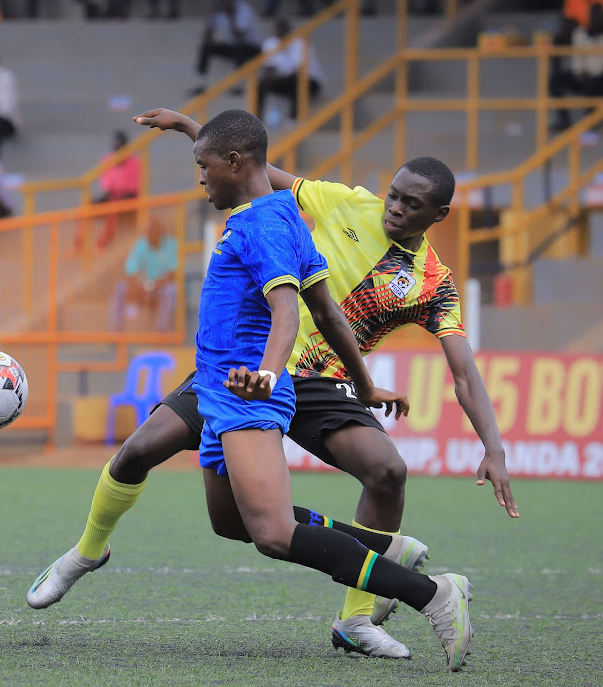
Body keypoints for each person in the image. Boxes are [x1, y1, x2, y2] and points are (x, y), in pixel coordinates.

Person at [28, 109, 477, 672]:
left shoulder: (261, 225)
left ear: (233, 164)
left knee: (273, 533)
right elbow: (330, 315)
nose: (199, 178)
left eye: (203, 167)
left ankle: (432, 595)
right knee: (228, 521)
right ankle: (382, 546)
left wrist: (265, 375)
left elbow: (287, 312)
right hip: (219, 390)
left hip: (245, 390)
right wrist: (365, 385)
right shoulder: (284, 213)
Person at [109, 216, 177, 332]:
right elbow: (130, 270)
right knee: (120, 288)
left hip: (160, 286)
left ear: (160, 231)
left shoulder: (171, 245)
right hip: (141, 286)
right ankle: (115, 333)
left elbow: (171, 274)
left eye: (155, 230)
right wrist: (138, 287)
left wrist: (153, 285)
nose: (152, 234)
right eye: (149, 231)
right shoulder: (141, 244)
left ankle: (162, 334)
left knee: (171, 290)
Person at [188, 0, 263, 97]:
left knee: (238, 49)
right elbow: (207, 36)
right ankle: (200, 83)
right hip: (235, 46)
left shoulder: (244, 10)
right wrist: (211, 16)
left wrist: (231, 16)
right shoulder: (219, 12)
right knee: (206, 47)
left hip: (253, 48)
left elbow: (239, 37)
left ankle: (238, 85)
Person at [257, 18, 325, 122]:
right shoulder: (271, 43)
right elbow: (268, 67)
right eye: (278, 33)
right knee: (260, 84)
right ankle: (256, 120)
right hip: (287, 80)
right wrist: (268, 78)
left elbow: (299, 71)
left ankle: (293, 120)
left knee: (297, 81)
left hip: (311, 81)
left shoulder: (300, 42)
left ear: (289, 32)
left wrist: (277, 79)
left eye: (283, 33)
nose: (281, 36)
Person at [549, 3, 603, 131]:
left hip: (600, 79)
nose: (595, 19)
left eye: (598, 16)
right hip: (585, 76)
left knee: (593, 85)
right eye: (593, 16)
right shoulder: (580, 34)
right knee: (555, 81)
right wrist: (579, 73)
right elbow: (578, 60)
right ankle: (564, 120)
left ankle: (592, 122)